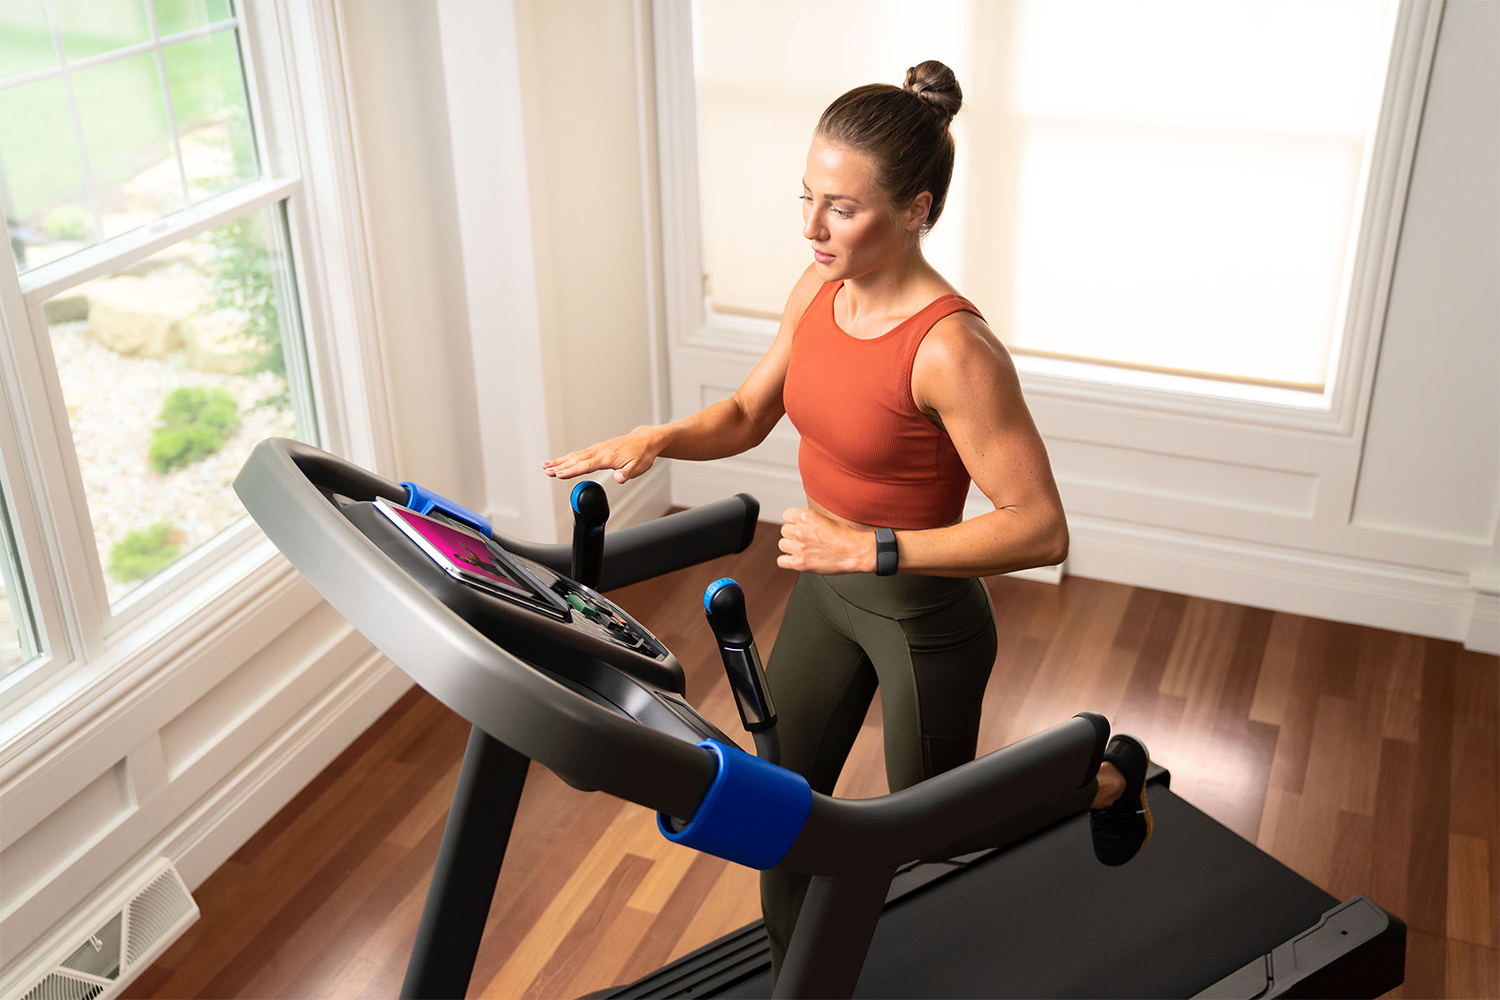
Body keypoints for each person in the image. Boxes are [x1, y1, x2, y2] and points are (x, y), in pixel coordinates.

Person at [544, 60, 1150, 976]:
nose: (812, 227)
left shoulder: (953, 350)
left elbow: (1039, 529)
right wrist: (658, 437)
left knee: (940, 826)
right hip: (830, 591)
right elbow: (749, 414)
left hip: (923, 619)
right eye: (807, 197)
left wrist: (869, 548)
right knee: (781, 812)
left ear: (917, 209)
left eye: (842, 208)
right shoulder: (816, 290)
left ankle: (1108, 780)